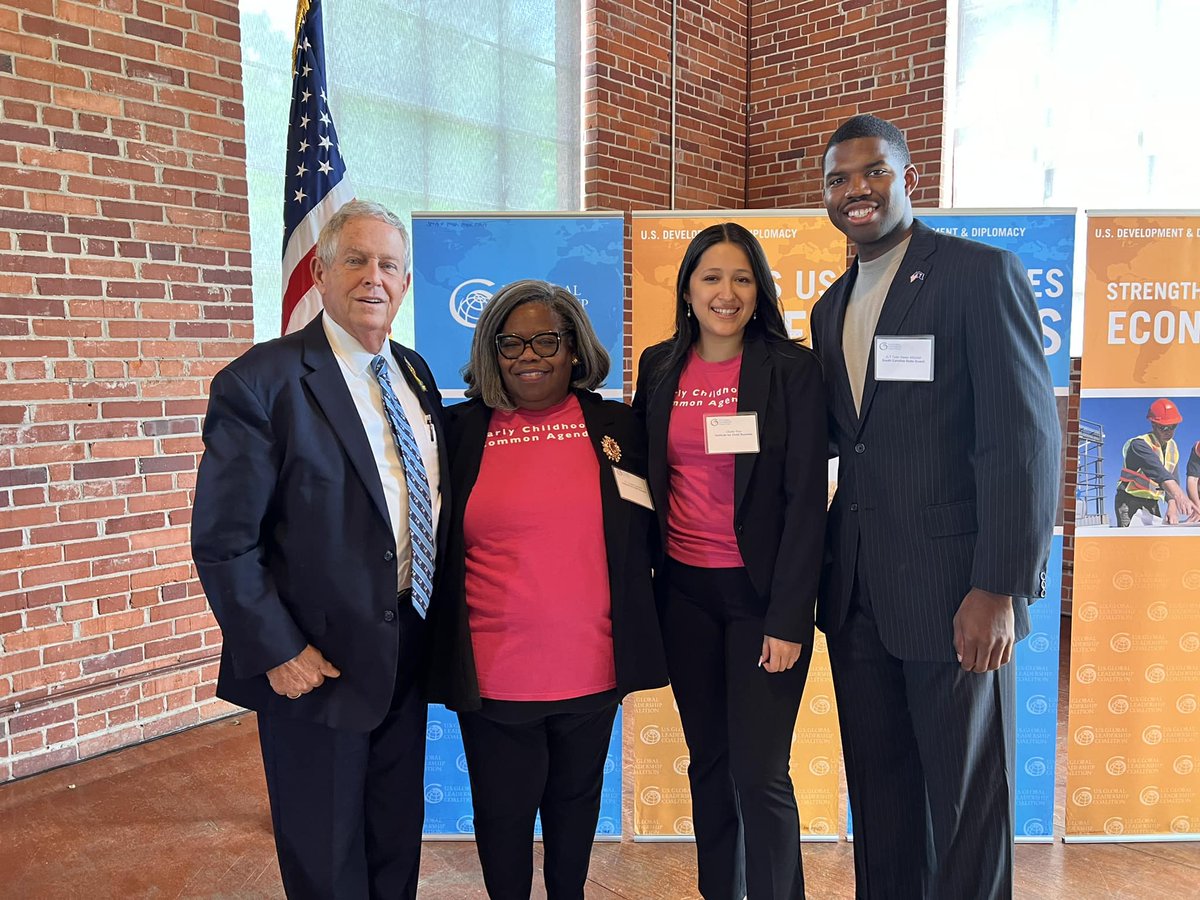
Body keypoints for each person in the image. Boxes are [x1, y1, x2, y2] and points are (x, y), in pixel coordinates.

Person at [810, 114, 1060, 899]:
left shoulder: (976, 275)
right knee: (882, 806)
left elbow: (1023, 442)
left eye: (873, 171)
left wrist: (1000, 588)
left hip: (959, 596)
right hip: (856, 602)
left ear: (908, 176)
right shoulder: (829, 308)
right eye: (839, 179)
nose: (856, 190)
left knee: (968, 809)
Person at [192, 199, 448, 899]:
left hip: (408, 647)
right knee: (325, 853)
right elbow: (222, 541)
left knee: (395, 834)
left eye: (390, 264)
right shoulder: (261, 383)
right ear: (322, 271)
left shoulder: (415, 373)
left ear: (404, 280)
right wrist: (275, 648)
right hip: (315, 664)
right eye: (357, 260)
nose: (375, 277)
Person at [426, 279, 668, 900]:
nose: (528, 355)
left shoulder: (617, 427)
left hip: (593, 671)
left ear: (574, 349)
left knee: (574, 818)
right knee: (503, 827)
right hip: (494, 679)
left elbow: (651, 523)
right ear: (491, 351)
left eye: (546, 340)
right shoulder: (457, 433)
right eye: (510, 342)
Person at [632, 223, 828, 900]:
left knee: (759, 771)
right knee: (709, 765)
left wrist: (788, 618)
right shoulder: (658, 366)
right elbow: (641, 483)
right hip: (684, 596)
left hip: (760, 600)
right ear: (687, 287)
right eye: (711, 277)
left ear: (760, 289)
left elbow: (806, 503)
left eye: (742, 278)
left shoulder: (791, 370)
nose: (727, 292)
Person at [1114, 398, 1197, 526]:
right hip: (1128, 501)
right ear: (1153, 424)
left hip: (1152, 502)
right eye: (1163, 427)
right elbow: (1158, 471)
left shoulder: (1173, 448)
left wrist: (1172, 505)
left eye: (1172, 426)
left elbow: (1173, 477)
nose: (1168, 431)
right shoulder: (1139, 445)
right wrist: (1180, 496)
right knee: (1131, 544)